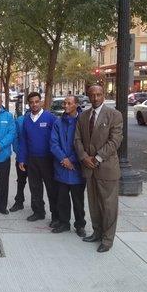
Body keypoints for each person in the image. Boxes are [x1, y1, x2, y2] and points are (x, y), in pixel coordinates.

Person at [74, 85, 123, 253]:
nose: (95, 98)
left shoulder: (114, 115)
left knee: (109, 206)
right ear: (88, 96)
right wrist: (83, 157)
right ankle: (96, 232)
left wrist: (97, 158)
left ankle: (107, 239)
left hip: (106, 168)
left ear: (103, 95)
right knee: (94, 204)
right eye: (92, 95)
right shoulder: (83, 116)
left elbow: (115, 141)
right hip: (89, 168)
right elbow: (77, 139)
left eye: (99, 95)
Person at [18, 92, 59, 226]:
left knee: (51, 189)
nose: (34, 104)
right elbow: (23, 140)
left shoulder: (50, 118)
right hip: (32, 159)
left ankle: (56, 216)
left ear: (40, 102)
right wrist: (21, 159)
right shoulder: (26, 120)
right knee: (35, 188)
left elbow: (56, 139)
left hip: (47, 159)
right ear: (28, 104)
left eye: (37, 101)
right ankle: (38, 212)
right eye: (31, 102)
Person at [50, 95, 86, 237]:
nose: (65, 106)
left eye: (69, 103)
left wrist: (72, 160)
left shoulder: (83, 122)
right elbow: (53, 143)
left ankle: (80, 225)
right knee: (62, 200)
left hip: (77, 169)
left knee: (78, 201)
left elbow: (85, 145)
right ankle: (64, 223)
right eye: (64, 103)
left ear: (76, 105)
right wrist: (64, 159)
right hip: (61, 167)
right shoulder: (58, 123)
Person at [9, 113, 27, 212]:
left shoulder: (47, 117)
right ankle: (19, 202)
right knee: (21, 181)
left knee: (36, 184)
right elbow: (14, 138)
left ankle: (38, 206)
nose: (34, 104)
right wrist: (19, 153)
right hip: (22, 156)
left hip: (37, 158)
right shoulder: (20, 120)